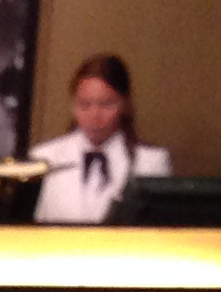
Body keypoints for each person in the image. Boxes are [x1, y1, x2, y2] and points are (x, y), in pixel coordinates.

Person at [29, 53, 171, 223]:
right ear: (73, 106)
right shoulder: (45, 158)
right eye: (85, 105)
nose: (94, 115)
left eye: (106, 104)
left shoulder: (149, 162)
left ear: (125, 104)